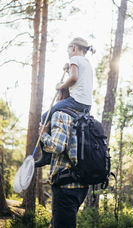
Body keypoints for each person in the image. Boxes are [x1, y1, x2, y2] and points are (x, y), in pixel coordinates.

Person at [35, 37, 94, 167]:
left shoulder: (74, 59)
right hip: (86, 105)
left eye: (68, 51)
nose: (68, 54)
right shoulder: (86, 62)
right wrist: (68, 70)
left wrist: (60, 86)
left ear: (73, 48)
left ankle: (45, 155)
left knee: (45, 117)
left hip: (76, 101)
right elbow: (77, 80)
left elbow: (73, 78)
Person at [38, 95, 88, 228]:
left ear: (61, 95)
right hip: (81, 185)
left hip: (65, 186)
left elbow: (57, 146)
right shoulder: (81, 115)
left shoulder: (60, 114)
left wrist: (43, 135)